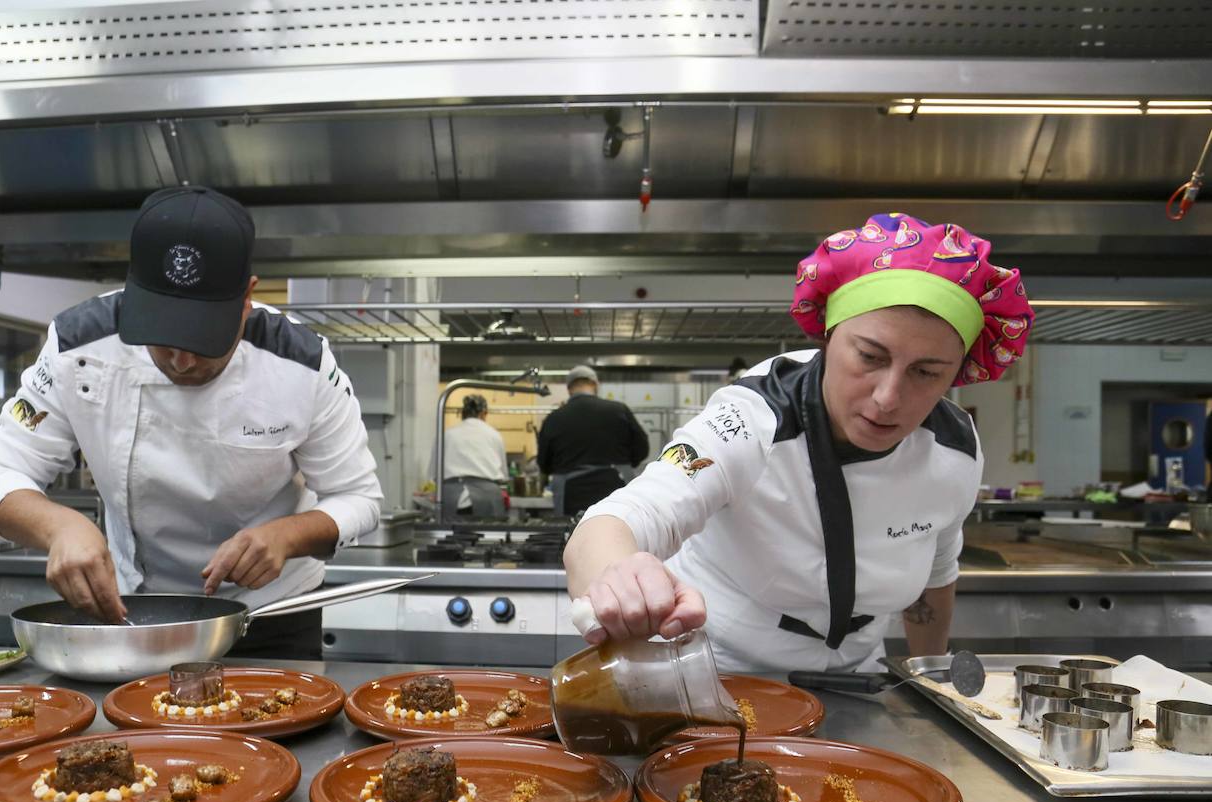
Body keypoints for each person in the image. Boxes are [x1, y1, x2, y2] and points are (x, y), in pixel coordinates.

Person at [563, 213, 1034, 673]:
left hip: (856, 675)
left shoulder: (955, 448)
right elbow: (623, 518)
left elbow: (936, 571)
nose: (889, 398)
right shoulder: (753, 417)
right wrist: (617, 574)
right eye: (870, 356)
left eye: (927, 373)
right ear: (828, 337)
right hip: (719, 668)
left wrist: (931, 679)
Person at [0, 186, 382, 658]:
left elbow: (359, 499)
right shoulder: (77, 345)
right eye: (160, 337)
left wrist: (288, 536)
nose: (182, 360)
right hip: (133, 611)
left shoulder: (301, 364)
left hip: (269, 614)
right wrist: (57, 526)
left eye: (203, 340)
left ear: (247, 299)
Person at [537, 365, 650, 515]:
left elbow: (544, 463)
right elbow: (642, 448)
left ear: (569, 389)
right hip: (616, 487)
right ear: (595, 385)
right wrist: (621, 463)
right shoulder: (619, 410)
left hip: (570, 493)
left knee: (573, 534)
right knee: (620, 531)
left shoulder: (554, 418)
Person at [430, 394, 508, 517]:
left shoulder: (446, 434)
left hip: (450, 498)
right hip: (487, 497)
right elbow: (503, 474)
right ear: (483, 413)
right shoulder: (494, 435)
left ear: (462, 414)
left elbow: (434, 473)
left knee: (451, 535)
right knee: (488, 534)